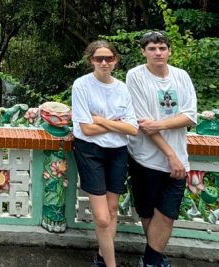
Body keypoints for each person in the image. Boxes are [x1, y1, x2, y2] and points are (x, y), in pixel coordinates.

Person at [126, 31, 198, 267]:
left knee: (167, 214)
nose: (158, 53)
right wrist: (170, 155)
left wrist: (159, 124)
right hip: (145, 157)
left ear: (169, 51)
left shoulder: (181, 76)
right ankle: (153, 259)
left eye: (162, 48)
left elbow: (189, 116)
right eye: (152, 49)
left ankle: (150, 260)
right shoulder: (135, 76)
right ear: (143, 52)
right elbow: (142, 123)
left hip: (178, 158)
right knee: (148, 213)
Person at [71, 40, 138, 267]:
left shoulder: (121, 88)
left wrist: (99, 120)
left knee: (111, 210)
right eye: (98, 58)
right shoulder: (81, 85)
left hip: (117, 151)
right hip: (90, 152)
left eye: (108, 58)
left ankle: (102, 257)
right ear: (91, 60)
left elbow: (133, 128)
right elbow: (86, 129)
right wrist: (113, 123)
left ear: (115, 61)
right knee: (101, 217)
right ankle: (111, 264)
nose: (103, 62)